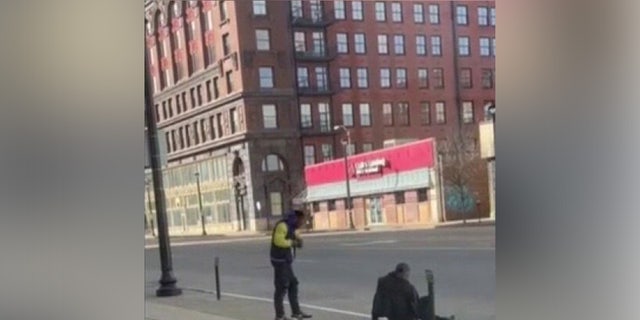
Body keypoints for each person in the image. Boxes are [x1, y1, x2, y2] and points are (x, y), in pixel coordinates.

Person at [372, 263, 454, 320]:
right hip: (404, 316)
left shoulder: (382, 283)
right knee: (426, 313)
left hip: (390, 315)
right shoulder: (408, 288)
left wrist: (374, 317)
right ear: (405, 273)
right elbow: (416, 307)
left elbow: (377, 302)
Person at [270, 209, 312, 320]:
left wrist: (299, 240)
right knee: (281, 287)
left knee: (293, 284)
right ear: (296, 218)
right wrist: (292, 242)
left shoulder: (292, 227)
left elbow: (296, 238)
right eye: (301, 220)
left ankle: (296, 312)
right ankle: (279, 316)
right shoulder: (282, 226)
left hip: (286, 261)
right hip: (279, 261)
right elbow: (278, 241)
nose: (302, 223)